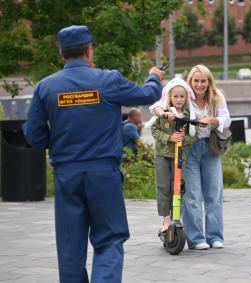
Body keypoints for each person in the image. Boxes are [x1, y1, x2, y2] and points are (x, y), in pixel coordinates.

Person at [23, 25, 164, 283]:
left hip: (67, 175)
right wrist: (154, 75)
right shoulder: (107, 80)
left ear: (62, 53)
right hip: (103, 175)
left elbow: (34, 136)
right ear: (89, 50)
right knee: (109, 237)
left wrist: (56, 143)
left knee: (70, 244)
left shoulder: (46, 87)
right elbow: (149, 94)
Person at [151, 65, 231, 250]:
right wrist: (163, 113)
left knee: (214, 194)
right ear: (190, 82)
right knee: (192, 195)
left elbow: (226, 118)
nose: (200, 85)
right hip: (189, 148)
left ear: (209, 81)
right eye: (196, 81)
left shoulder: (217, 97)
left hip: (210, 147)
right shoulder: (184, 95)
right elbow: (157, 104)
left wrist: (213, 120)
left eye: (203, 81)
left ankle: (215, 236)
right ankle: (196, 239)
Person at [150, 78, 197, 232]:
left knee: (176, 187)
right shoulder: (164, 112)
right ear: (169, 96)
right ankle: (166, 219)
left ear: (186, 97)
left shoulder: (189, 114)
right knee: (163, 186)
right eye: (175, 96)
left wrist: (185, 138)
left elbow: (194, 136)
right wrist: (169, 138)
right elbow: (154, 130)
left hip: (180, 156)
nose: (178, 99)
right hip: (162, 155)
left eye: (182, 96)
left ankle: (176, 216)